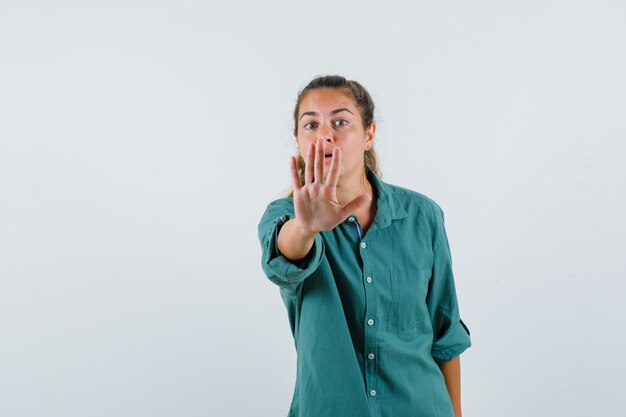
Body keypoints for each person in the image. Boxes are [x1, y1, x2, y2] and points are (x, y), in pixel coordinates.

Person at [257, 75, 472, 417]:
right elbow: (285, 257)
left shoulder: (422, 216)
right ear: (298, 140)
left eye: (340, 121)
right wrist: (306, 227)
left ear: (369, 134)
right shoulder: (285, 217)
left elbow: (445, 335)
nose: (325, 134)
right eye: (310, 125)